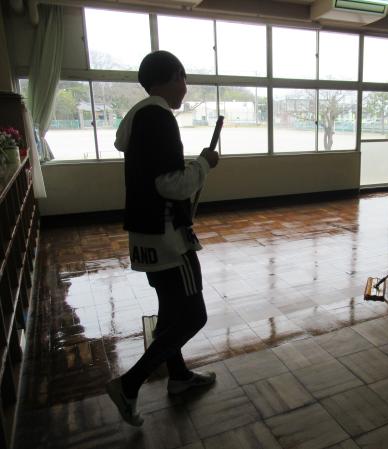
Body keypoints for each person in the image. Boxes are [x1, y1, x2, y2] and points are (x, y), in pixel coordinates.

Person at [106, 50, 219, 426]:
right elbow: (170, 185)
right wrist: (203, 164)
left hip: (146, 235)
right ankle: (129, 385)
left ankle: (180, 376)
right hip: (169, 239)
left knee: (170, 311)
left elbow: (156, 177)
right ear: (170, 78)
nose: (185, 87)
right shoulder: (160, 118)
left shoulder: (138, 117)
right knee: (193, 316)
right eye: (183, 78)